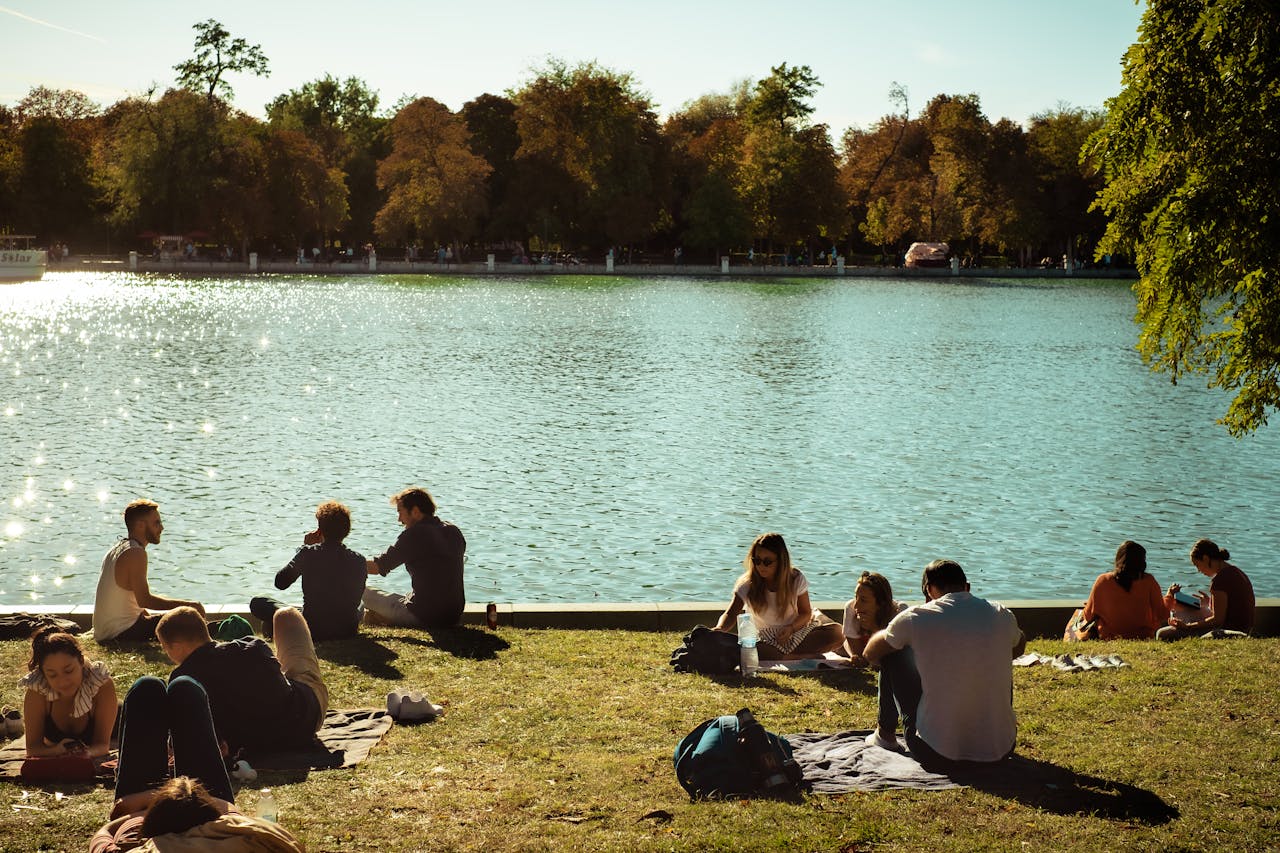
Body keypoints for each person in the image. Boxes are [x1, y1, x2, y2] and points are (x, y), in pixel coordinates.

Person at [90, 675, 303, 852]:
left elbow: (104, 831)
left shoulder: (134, 846)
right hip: (201, 813)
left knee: (149, 690)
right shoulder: (236, 840)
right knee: (183, 689)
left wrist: (150, 810)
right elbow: (282, 840)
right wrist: (178, 803)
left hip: (154, 813)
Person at [863, 559, 1026, 767]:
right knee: (997, 654)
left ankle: (884, 736)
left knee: (892, 653)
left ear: (929, 590)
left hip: (935, 752)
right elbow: (1020, 645)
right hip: (1001, 748)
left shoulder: (916, 617)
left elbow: (870, 653)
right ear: (967, 587)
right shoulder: (1001, 613)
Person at [157, 606, 328, 756]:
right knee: (286, 616)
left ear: (178, 646)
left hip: (255, 746)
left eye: (166, 648)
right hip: (301, 724)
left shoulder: (182, 682)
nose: (167, 654)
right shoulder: (253, 647)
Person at [713, 533, 843, 660]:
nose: (760, 566)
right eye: (756, 560)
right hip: (763, 639)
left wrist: (790, 629)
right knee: (750, 646)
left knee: (837, 633)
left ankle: (781, 655)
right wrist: (720, 628)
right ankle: (793, 657)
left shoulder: (796, 579)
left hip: (794, 634)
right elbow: (730, 614)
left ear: (781, 561)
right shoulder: (747, 583)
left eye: (767, 562)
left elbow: (805, 613)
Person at [251, 501, 366, 641]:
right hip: (347, 630)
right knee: (361, 605)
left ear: (320, 530)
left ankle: (275, 635)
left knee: (258, 602)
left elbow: (280, 582)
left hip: (313, 628)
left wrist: (303, 548)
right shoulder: (359, 560)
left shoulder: (308, 554)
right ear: (346, 531)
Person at [93, 499, 205, 642]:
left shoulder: (117, 549)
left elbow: (135, 604)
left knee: (183, 616)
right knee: (190, 615)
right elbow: (145, 600)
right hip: (121, 634)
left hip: (105, 632)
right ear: (140, 525)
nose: (162, 528)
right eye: (156, 523)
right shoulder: (136, 553)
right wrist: (189, 606)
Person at [362, 487, 466, 629]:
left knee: (361, 591)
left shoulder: (415, 535)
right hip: (453, 615)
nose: (399, 519)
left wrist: (345, 564)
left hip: (424, 616)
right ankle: (381, 619)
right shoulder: (454, 531)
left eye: (400, 512)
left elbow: (378, 566)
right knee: (402, 597)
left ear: (415, 511)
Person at [19, 627, 117, 759]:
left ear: (81, 661)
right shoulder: (38, 692)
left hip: (117, 720)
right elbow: (32, 749)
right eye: (52, 675)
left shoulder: (100, 685)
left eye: (69, 671)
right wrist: (58, 750)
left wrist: (86, 754)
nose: (62, 681)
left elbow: (102, 745)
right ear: (43, 674)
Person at [1157, 539, 1256, 640]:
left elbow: (1217, 621)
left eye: (1197, 565)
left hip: (1229, 632)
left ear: (1205, 558)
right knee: (1183, 606)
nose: (1198, 570)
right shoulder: (1237, 572)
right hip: (1244, 628)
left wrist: (1188, 627)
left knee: (1162, 634)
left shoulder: (1219, 581)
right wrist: (1210, 603)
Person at [1079, 540, 1168, 639]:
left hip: (1108, 636)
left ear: (1118, 559)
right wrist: (1169, 597)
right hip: (1142, 636)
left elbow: (1088, 616)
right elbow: (1162, 615)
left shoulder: (1103, 581)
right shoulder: (1149, 581)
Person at [841, 571, 906, 664]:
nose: (856, 606)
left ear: (881, 603)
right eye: (856, 597)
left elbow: (881, 655)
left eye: (863, 600)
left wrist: (874, 627)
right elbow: (861, 655)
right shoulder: (851, 608)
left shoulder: (899, 612)